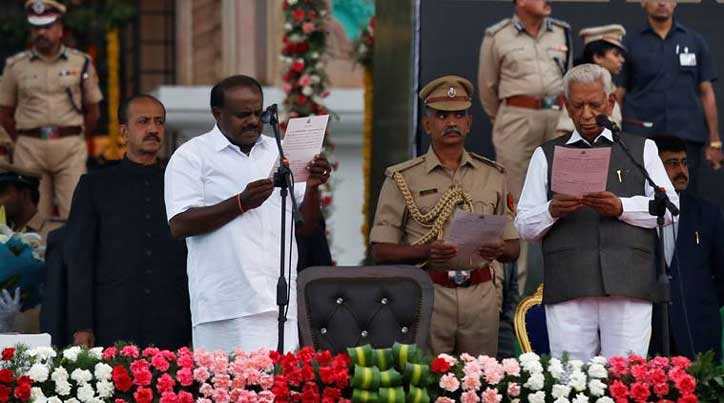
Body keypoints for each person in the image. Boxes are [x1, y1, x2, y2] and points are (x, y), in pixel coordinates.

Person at [515, 64, 678, 360]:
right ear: (565, 105)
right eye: (578, 106)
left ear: (611, 102)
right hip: (569, 282)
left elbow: (671, 210)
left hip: (629, 281)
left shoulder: (642, 149)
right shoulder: (546, 154)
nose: (587, 114)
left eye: (595, 104)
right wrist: (552, 210)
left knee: (626, 378)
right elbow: (524, 225)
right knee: (572, 382)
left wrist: (622, 207)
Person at [164, 75, 331, 353]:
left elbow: (307, 228)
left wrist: (312, 187)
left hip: (279, 305)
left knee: (278, 393)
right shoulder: (192, 156)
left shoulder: (278, 154)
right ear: (217, 114)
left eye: (258, 113)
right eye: (243, 115)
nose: (253, 121)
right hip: (225, 307)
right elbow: (179, 224)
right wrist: (240, 203)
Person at [370, 75, 520, 356]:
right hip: (429, 291)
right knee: (429, 383)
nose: (451, 122)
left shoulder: (493, 175)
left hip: (481, 295)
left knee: (481, 384)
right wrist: (427, 251)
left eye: (459, 115)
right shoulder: (402, 177)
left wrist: (500, 248)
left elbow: (514, 248)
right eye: (442, 115)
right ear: (427, 124)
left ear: (469, 123)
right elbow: (381, 251)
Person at [65, 94, 191, 349]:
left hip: (172, 319)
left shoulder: (182, 181)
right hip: (112, 318)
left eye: (159, 122)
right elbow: (79, 260)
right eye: (143, 122)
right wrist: (82, 325)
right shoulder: (95, 186)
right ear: (124, 131)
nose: (153, 129)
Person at [478, 0, 571, 295]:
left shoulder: (562, 32)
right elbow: (487, 89)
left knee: (564, 199)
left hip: (557, 118)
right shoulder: (498, 36)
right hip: (517, 119)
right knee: (514, 203)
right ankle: (513, 296)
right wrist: (509, 118)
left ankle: (562, 288)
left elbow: (567, 78)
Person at [0, 0, 103, 230]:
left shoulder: (81, 63)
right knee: (33, 221)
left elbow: (93, 111)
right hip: (30, 147)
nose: (41, 33)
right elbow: (5, 113)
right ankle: (38, 265)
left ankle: (73, 266)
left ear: (59, 28)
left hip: (69, 147)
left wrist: (76, 137)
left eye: (47, 26)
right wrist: (23, 140)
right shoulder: (15, 66)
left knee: (77, 213)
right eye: (36, 28)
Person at [619, 1, 723, 195]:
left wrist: (715, 141)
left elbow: (706, 92)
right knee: (640, 196)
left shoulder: (694, 41)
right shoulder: (629, 43)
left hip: (686, 136)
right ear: (642, 2)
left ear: (675, 2)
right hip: (641, 137)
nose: (661, 2)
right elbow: (618, 94)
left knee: (687, 199)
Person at [649, 134, 724, 361]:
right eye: (672, 163)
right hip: (649, 334)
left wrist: (694, 299)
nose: (681, 170)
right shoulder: (635, 214)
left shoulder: (708, 214)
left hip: (698, 332)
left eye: (684, 162)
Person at [556, 24, 626, 137]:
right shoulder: (579, 87)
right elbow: (563, 133)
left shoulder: (609, 85)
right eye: (616, 54)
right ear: (598, 57)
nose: (621, 60)